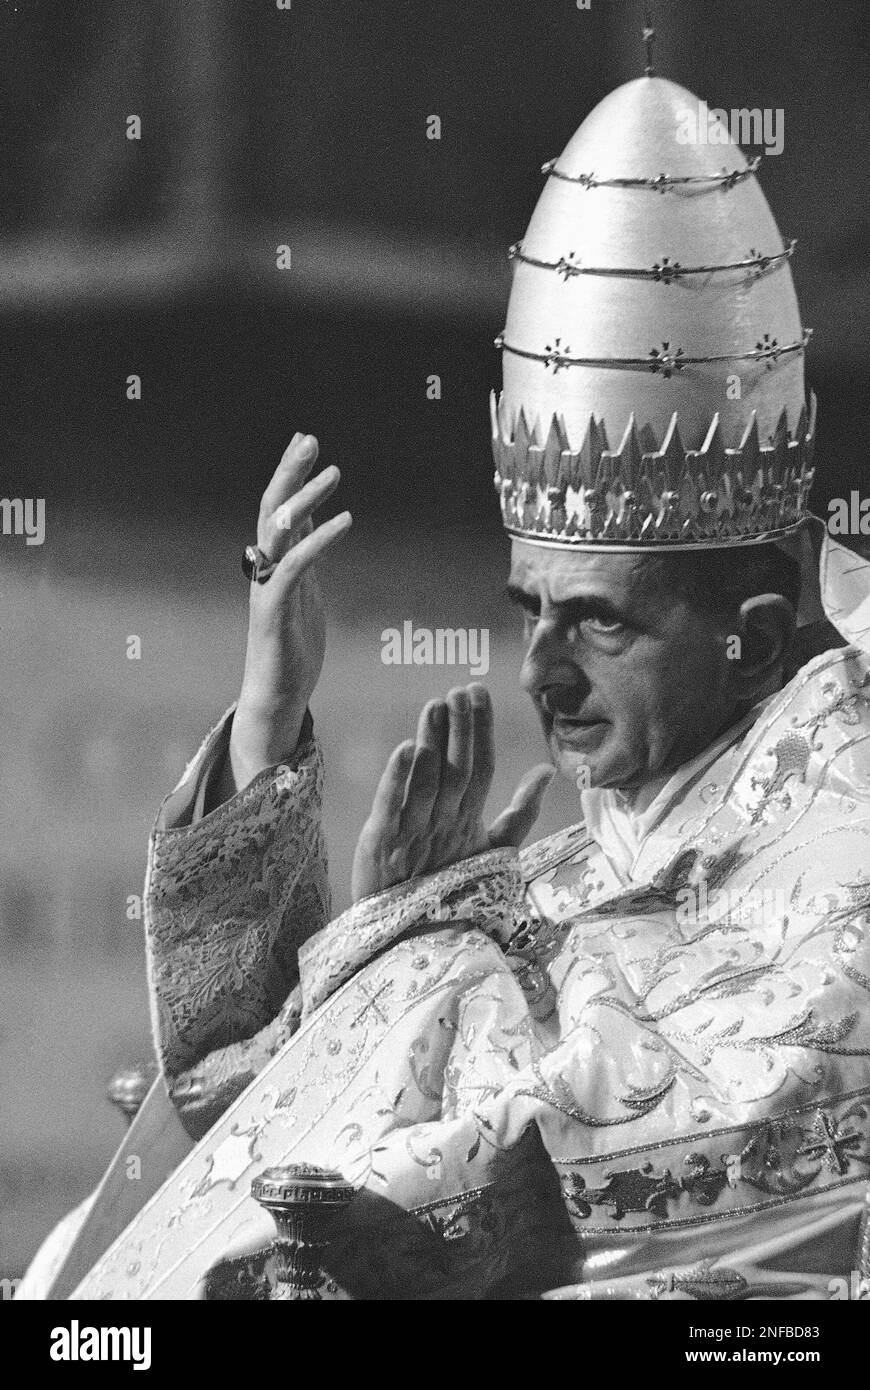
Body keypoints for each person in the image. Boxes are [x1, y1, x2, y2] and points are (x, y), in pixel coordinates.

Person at [19, 70, 870, 1301]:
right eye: (528, 608)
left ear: (745, 632)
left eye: (596, 624)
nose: (538, 671)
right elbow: (245, 1080)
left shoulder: (842, 831)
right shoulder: (594, 847)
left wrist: (459, 1177)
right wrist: (355, 875)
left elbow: (760, 1120)